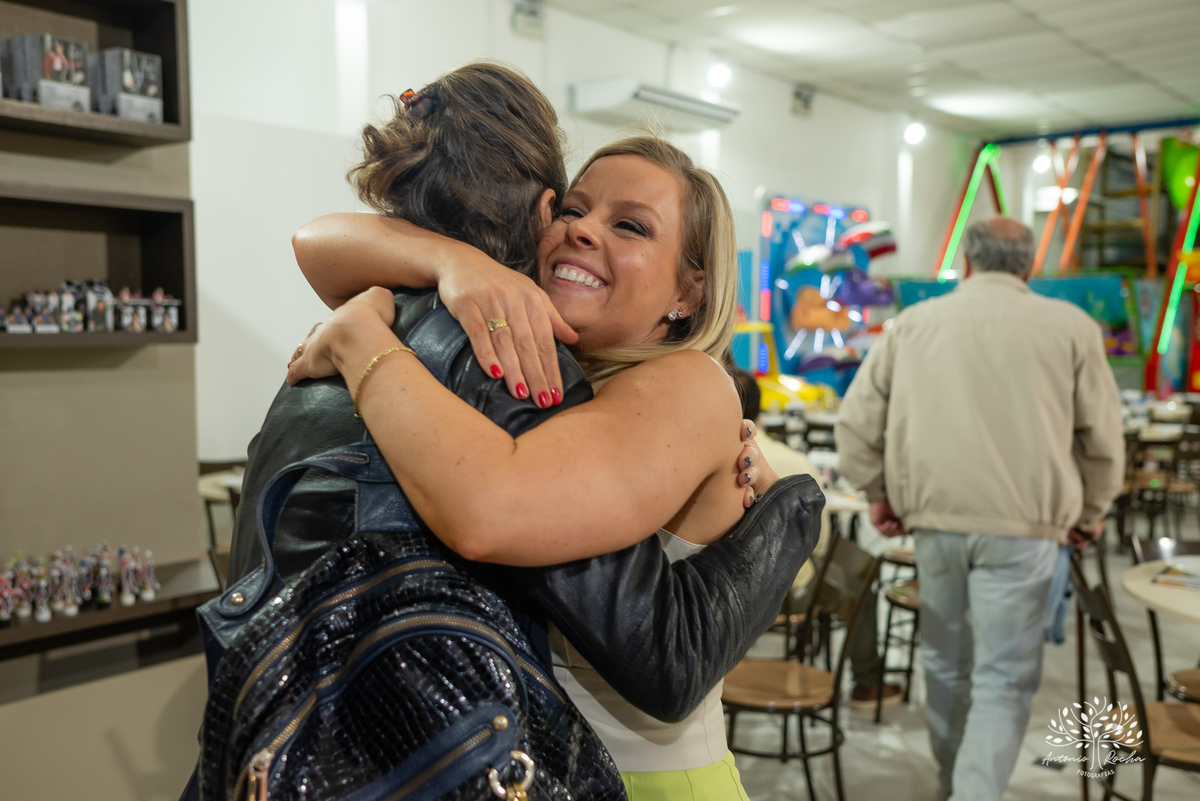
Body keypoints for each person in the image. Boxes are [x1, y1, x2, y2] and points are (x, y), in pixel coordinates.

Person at [237, 63, 821, 799]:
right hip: (518, 764)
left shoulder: (687, 383)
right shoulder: (536, 361)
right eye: (573, 210)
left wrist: (359, 342)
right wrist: (451, 260)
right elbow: (318, 243)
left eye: (630, 226)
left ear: (688, 290)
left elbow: (492, 510)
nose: (582, 229)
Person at [834, 217, 1124, 801]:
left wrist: (878, 492)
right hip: (1028, 527)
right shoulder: (1071, 327)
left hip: (936, 521)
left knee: (943, 665)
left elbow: (856, 423)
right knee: (1003, 679)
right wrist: (1091, 511)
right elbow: (1103, 437)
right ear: (1028, 267)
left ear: (966, 262)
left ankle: (953, 784)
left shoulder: (912, 325)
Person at [729, 367, 903, 707]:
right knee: (854, 578)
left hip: (720, 591)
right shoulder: (794, 461)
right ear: (761, 409)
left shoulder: (707, 461)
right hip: (784, 592)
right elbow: (815, 544)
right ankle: (867, 682)